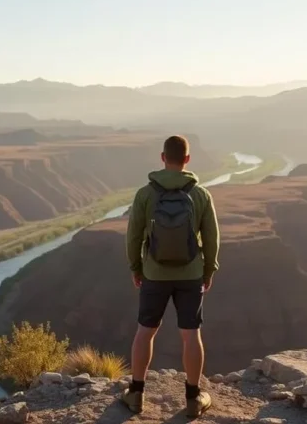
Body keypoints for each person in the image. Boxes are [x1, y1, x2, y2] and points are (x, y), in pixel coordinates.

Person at [121, 135, 220, 418]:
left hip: (154, 273)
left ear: (162, 157)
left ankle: (136, 394)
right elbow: (212, 238)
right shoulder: (200, 194)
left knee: (145, 332)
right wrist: (209, 269)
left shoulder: (145, 194)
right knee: (191, 335)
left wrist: (136, 268)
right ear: (187, 159)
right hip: (191, 274)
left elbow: (133, 237)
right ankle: (193, 398)